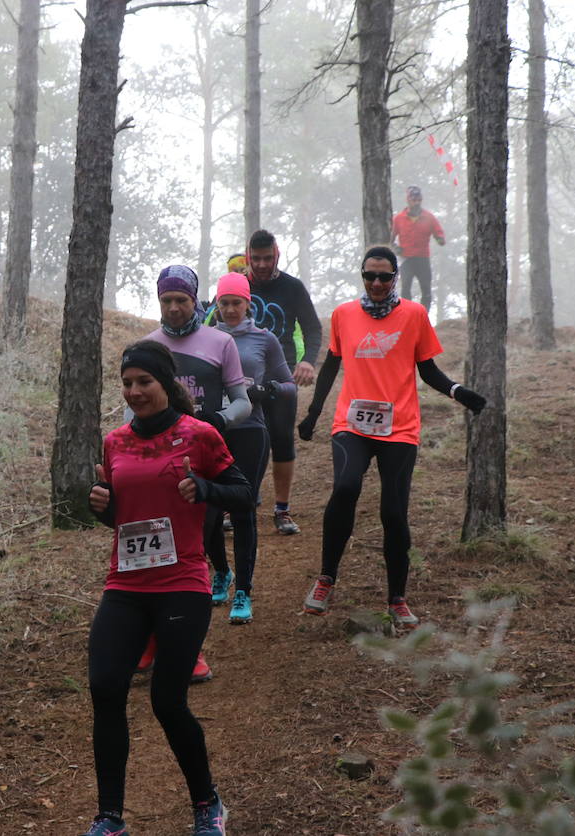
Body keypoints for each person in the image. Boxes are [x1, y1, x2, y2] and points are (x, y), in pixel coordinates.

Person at [84, 340, 251, 836]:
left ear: (166, 384)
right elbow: (123, 516)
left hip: (182, 583)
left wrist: (205, 489)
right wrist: (102, 507)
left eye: (144, 382)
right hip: (126, 584)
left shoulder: (198, 436)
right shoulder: (114, 442)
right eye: (127, 383)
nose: (134, 392)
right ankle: (110, 818)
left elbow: (243, 495)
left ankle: (207, 805)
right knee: (106, 689)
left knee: (167, 701)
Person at [296, 246, 484, 626]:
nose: (377, 283)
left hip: (399, 428)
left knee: (393, 512)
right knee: (346, 488)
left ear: (396, 277)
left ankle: (397, 598)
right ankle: (326, 578)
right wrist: (313, 414)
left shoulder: (413, 315)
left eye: (384, 276)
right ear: (361, 276)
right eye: (370, 276)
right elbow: (332, 364)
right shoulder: (343, 315)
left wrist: (458, 391)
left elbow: (428, 370)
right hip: (352, 425)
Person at [143, 265, 251, 622]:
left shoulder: (220, 342)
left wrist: (217, 420)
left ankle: (222, 590)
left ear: (195, 301)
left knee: (214, 520)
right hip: (163, 453)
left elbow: (242, 401)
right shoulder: (149, 346)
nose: (173, 308)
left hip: (211, 448)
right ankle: (186, 595)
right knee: (174, 530)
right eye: (166, 300)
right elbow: (135, 406)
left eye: (181, 300)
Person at [205, 272, 295, 625]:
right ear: (216, 303)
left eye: (236, 303)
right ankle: (222, 572)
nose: (229, 309)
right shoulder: (206, 338)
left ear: (247, 304)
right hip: (213, 432)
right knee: (210, 510)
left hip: (251, 430)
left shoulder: (264, 339)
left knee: (242, 509)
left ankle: (243, 589)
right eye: (224, 303)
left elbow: (289, 385)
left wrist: (266, 388)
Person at [245, 230, 322, 535]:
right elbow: (216, 320)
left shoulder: (292, 287)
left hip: (281, 374)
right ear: (247, 255)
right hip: (241, 376)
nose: (262, 264)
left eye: (268, 258)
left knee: (280, 438)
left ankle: (282, 509)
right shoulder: (238, 283)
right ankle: (238, 503)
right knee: (241, 439)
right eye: (256, 258)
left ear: (277, 254)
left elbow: (313, 329)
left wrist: (307, 361)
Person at [389, 185, 445, 309]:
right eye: (414, 200)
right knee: (406, 286)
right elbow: (390, 239)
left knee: (426, 288)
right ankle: (406, 314)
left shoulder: (429, 217)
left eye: (419, 200)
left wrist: (440, 238)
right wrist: (395, 248)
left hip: (423, 258)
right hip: (406, 258)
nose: (417, 202)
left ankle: (423, 316)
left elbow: (438, 232)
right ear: (408, 200)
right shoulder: (399, 218)